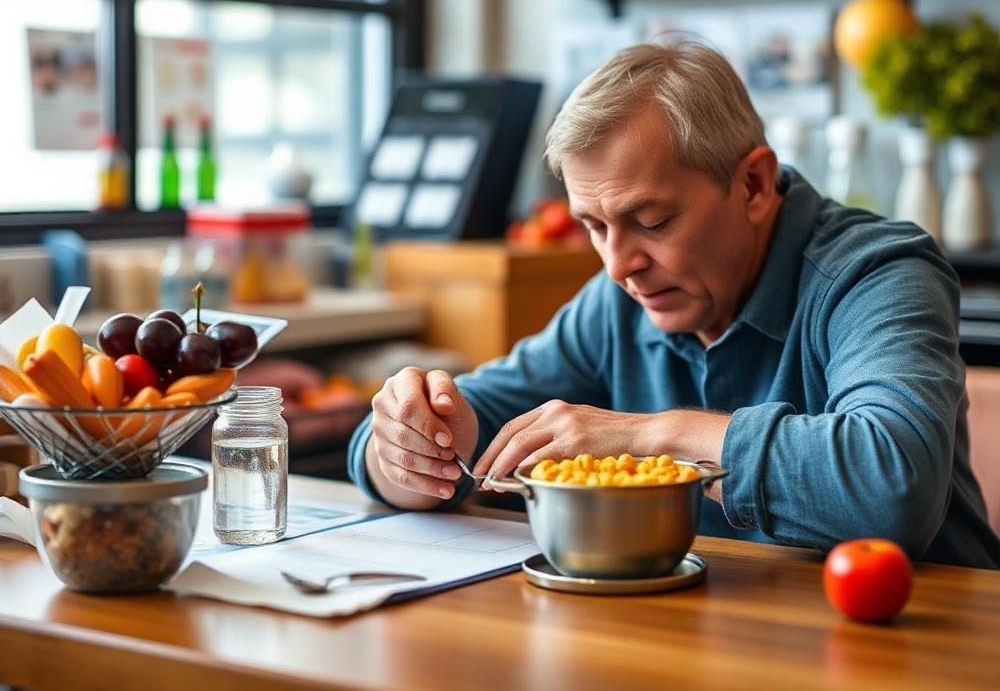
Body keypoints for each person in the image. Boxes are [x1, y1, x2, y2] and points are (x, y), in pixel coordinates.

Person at [348, 41, 1000, 569]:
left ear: (752, 184)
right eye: (594, 226)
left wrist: (647, 437)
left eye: (652, 221)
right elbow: (438, 435)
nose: (617, 266)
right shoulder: (616, 304)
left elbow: (892, 487)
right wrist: (406, 448)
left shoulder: (879, 273)